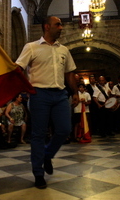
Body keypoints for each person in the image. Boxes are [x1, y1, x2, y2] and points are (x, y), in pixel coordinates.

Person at [15, 16, 79, 189]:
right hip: (39, 94)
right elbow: (18, 68)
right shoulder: (31, 47)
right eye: (58, 24)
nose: (61, 27)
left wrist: (75, 92)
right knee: (38, 134)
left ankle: (47, 155)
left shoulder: (64, 50)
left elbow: (70, 73)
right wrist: (25, 87)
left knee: (64, 129)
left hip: (60, 95)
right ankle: (38, 173)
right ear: (46, 27)